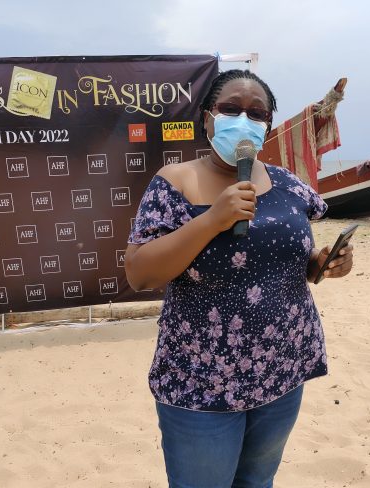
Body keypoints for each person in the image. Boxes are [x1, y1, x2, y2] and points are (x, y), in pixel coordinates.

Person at [124, 70, 354, 487]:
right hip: (201, 383)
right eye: (230, 109)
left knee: (257, 482)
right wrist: (213, 219)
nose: (243, 120)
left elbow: (293, 263)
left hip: (282, 371)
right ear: (207, 118)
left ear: (267, 125)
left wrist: (324, 264)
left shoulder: (286, 183)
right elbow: (139, 274)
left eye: (256, 113)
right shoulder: (174, 182)